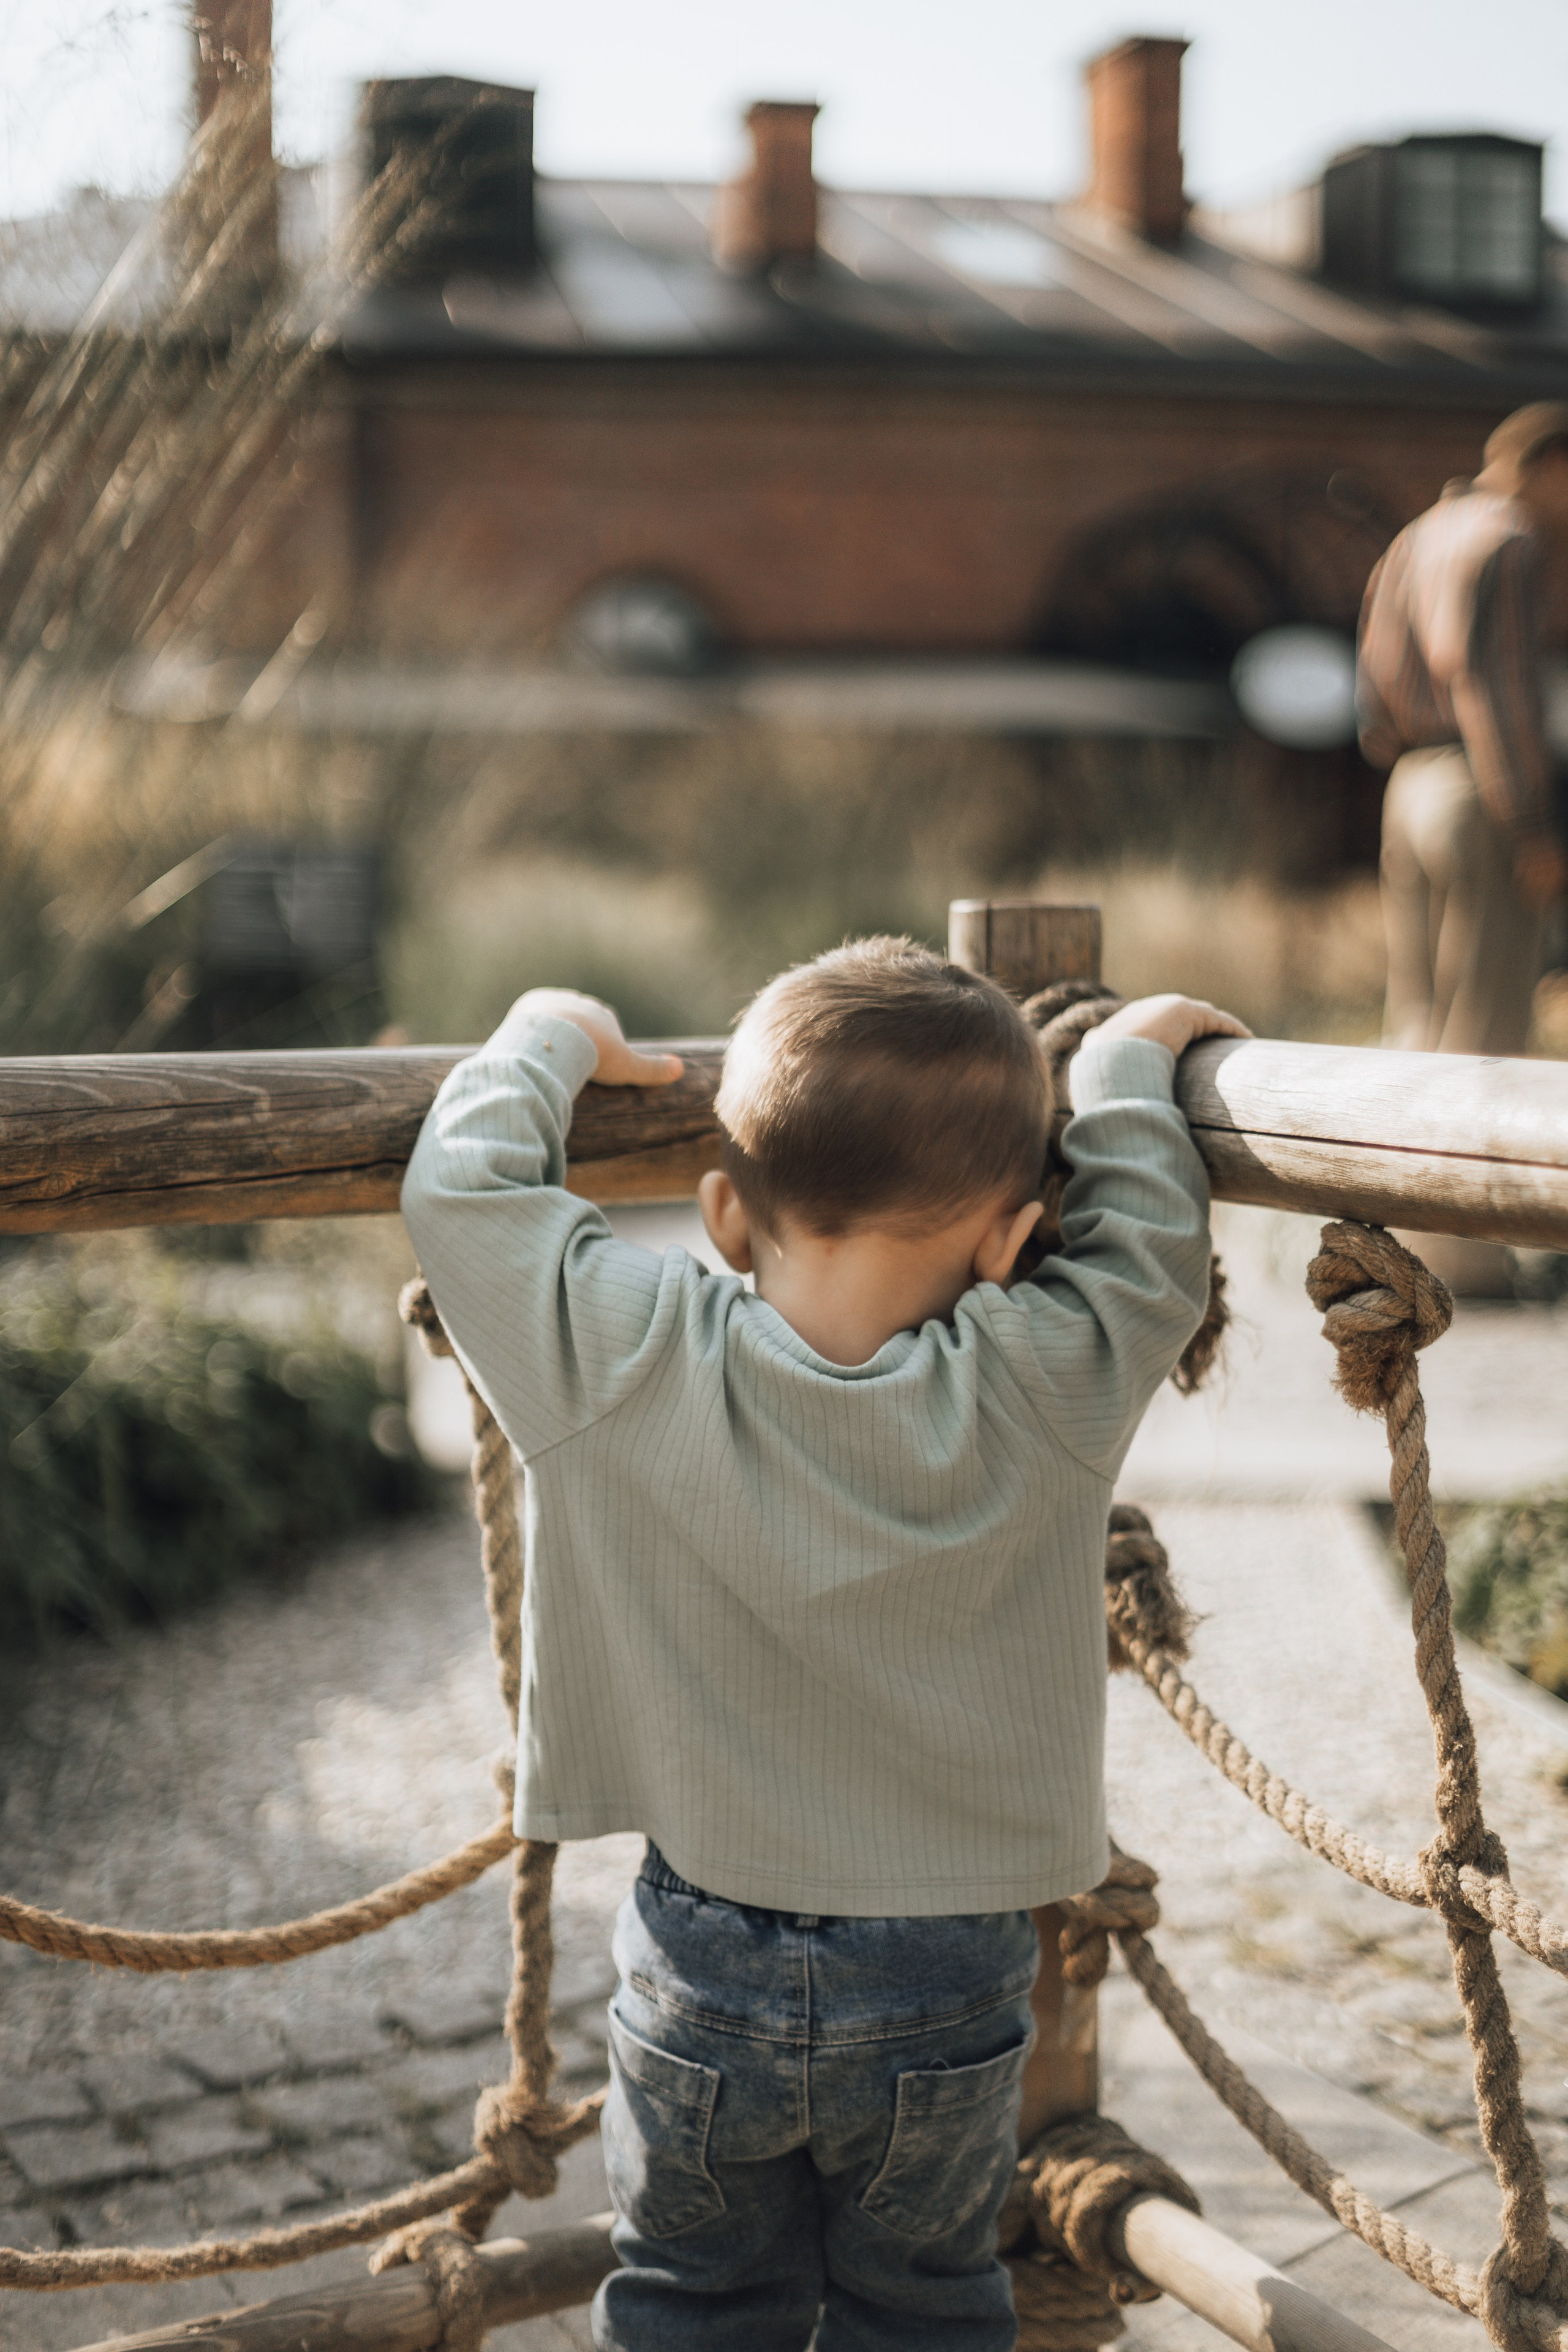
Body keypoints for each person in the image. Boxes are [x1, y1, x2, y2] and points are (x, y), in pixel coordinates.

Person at [401, 940, 1245, 2351]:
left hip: (703, 1944)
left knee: (687, 2302)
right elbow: (1152, 1247)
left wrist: (552, 1028)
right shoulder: (1047, 1378)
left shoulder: (630, 1352)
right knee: (921, 2307)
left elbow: (464, 1191)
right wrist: (1116, 1064)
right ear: (1002, 1237)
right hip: (946, 1972)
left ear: (725, 1212)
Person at [1358, 399, 1568, 1063]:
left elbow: (1372, 670)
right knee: (1485, 1042)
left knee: (1416, 1031)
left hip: (1410, 785)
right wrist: (1532, 826)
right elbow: (1498, 692)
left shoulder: (1419, 534)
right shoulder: (1509, 540)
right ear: (1552, 467)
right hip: (1479, 792)